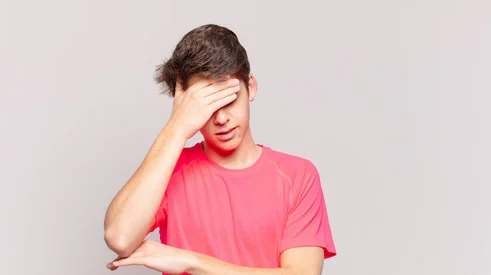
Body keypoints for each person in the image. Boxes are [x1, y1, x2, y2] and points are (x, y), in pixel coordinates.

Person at [103, 24, 337, 275]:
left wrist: (192, 262)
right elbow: (120, 237)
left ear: (251, 87)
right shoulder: (170, 171)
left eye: (229, 99)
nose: (221, 118)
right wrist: (176, 127)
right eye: (207, 106)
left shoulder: (297, 175)